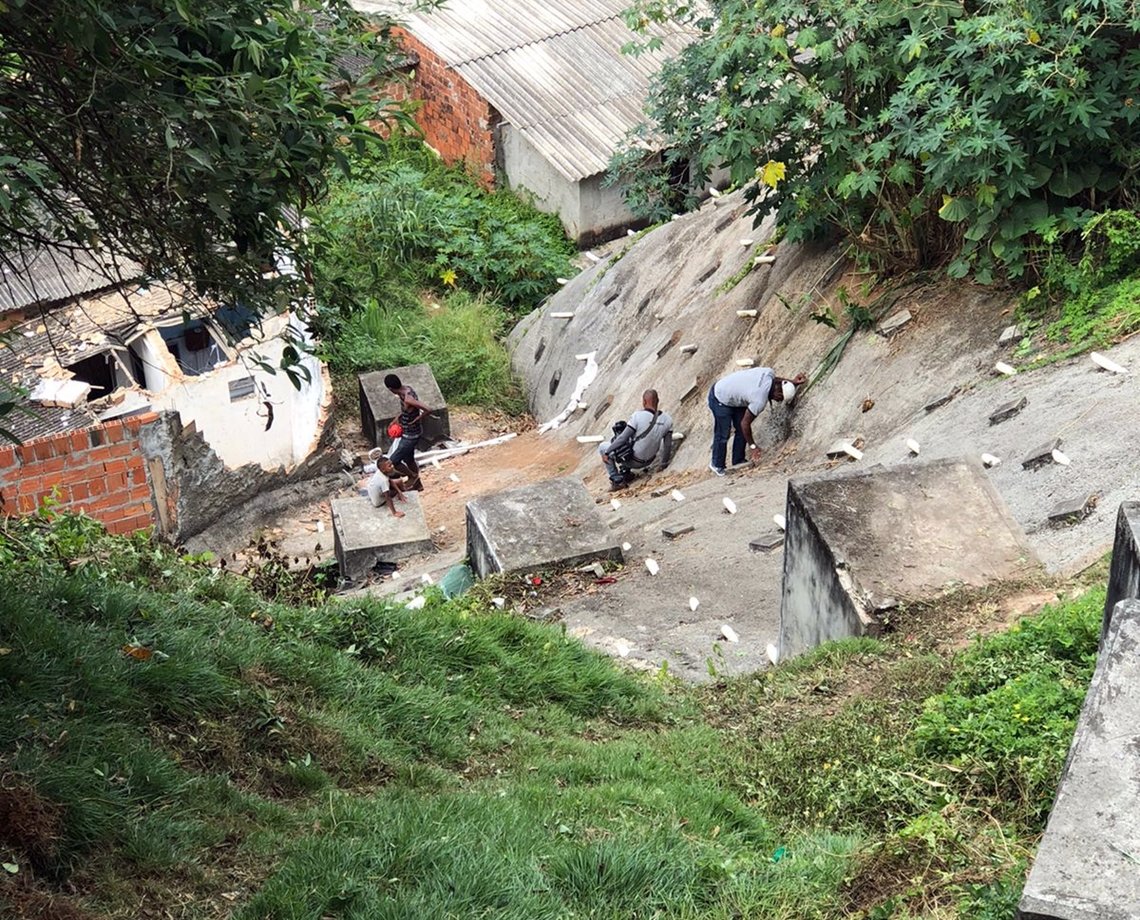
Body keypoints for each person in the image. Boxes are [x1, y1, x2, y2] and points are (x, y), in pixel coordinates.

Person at [707, 367, 807, 475]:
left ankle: (738, 460)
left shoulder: (768, 373)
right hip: (719, 397)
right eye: (780, 398)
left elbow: (776, 381)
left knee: (741, 430)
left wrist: (792, 382)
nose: (778, 400)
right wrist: (753, 446)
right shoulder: (759, 400)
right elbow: (745, 424)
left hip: (733, 393)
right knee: (723, 433)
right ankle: (716, 464)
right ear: (778, 392)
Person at [598, 389, 674, 491]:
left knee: (603, 447)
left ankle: (617, 481)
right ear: (658, 400)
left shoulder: (638, 416)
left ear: (644, 402)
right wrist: (663, 464)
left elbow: (622, 438)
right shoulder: (668, 419)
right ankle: (626, 473)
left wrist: (607, 453)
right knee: (633, 441)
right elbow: (667, 445)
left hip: (634, 461)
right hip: (650, 460)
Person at [385, 373, 430, 491]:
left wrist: (418, 419)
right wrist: (397, 418)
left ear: (390, 389)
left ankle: (412, 476)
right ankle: (418, 485)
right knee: (409, 459)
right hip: (409, 432)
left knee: (393, 461)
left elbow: (428, 409)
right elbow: (407, 410)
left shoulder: (408, 398)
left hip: (410, 435)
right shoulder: (406, 389)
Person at [364, 454, 408, 518]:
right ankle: (402, 495)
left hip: (373, 494)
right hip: (378, 502)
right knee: (398, 484)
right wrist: (395, 512)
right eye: (390, 466)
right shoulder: (383, 481)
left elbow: (390, 480)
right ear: (384, 470)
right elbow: (388, 497)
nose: (392, 466)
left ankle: (401, 494)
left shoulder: (380, 472)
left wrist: (399, 492)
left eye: (391, 464)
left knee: (399, 482)